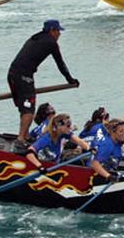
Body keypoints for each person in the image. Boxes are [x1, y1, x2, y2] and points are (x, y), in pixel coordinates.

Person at [8, 20, 79, 148]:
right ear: (52, 30)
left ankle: (26, 136)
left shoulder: (36, 37)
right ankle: (21, 139)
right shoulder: (51, 42)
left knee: (24, 107)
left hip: (13, 73)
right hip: (23, 76)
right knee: (29, 109)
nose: (59, 34)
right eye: (58, 31)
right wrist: (70, 80)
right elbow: (60, 63)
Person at [26, 113, 91, 168]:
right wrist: (39, 166)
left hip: (54, 165)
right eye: (68, 126)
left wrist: (89, 148)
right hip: (41, 167)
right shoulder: (47, 139)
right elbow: (29, 153)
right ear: (58, 126)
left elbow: (79, 141)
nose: (70, 128)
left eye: (70, 125)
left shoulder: (64, 134)